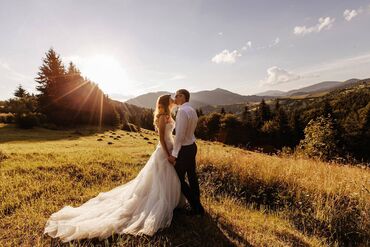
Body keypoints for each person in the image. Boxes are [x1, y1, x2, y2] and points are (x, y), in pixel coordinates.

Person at [44, 94, 185, 243]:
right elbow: (162, 138)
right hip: (164, 152)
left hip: (169, 149)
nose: (173, 101)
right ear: (165, 102)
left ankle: (171, 202)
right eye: (171, 99)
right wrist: (168, 154)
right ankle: (160, 204)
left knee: (164, 178)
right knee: (160, 179)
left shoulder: (168, 115)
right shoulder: (163, 117)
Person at [168, 89, 205, 217]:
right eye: (175, 95)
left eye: (178, 95)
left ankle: (197, 207)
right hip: (192, 146)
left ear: (184, 97)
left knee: (178, 177)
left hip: (184, 149)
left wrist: (174, 153)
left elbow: (179, 136)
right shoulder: (192, 110)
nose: (176, 97)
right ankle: (197, 205)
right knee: (192, 176)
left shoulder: (182, 111)